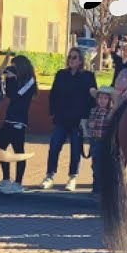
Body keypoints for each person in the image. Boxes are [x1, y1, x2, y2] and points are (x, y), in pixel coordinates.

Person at [41, 47, 96, 192]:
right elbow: (53, 94)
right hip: (61, 118)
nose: (71, 60)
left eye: (74, 57)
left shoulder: (88, 76)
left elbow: (92, 98)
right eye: (70, 57)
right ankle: (49, 176)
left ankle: (72, 178)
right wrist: (53, 113)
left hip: (78, 120)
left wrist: (86, 118)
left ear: (81, 60)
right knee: (54, 147)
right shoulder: (61, 74)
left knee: (75, 150)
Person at [0, 55, 38, 194]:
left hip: (19, 121)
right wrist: (8, 78)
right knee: (0, 148)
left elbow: (18, 95)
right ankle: (6, 179)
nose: (13, 69)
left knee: (18, 151)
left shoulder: (30, 80)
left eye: (15, 66)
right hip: (9, 118)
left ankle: (18, 183)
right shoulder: (15, 79)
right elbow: (10, 94)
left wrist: (12, 78)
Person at [84, 86, 118, 195]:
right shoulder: (93, 111)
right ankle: (96, 187)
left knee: (106, 165)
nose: (102, 101)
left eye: (105, 98)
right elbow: (90, 125)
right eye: (100, 98)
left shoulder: (112, 113)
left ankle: (106, 188)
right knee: (95, 165)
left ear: (110, 100)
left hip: (106, 143)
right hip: (94, 141)